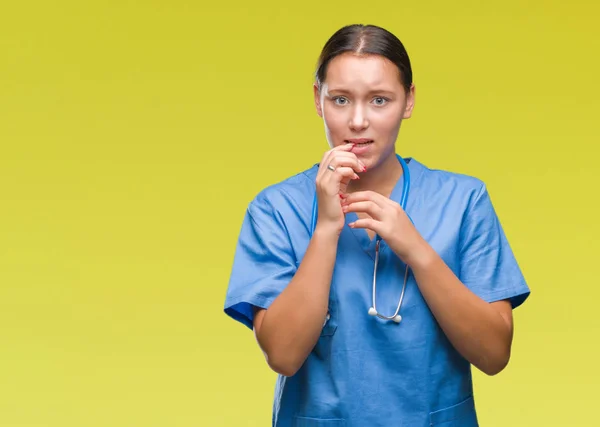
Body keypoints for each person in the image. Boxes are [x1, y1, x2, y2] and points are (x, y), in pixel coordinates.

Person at [223, 23, 530, 427]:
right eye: (340, 99)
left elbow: (494, 355)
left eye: (380, 100)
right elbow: (282, 354)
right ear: (318, 100)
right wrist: (327, 230)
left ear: (409, 101)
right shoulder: (276, 209)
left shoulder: (464, 201)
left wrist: (416, 250)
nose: (358, 120)